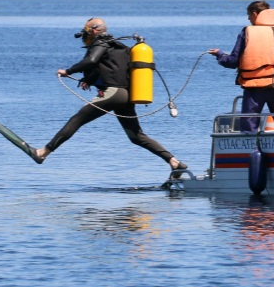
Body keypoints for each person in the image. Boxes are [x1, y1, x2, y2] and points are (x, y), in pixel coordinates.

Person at [29, 17, 187, 173]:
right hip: (126, 95)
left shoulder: (101, 43)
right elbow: (109, 68)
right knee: (136, 136)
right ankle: (173, 161)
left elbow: (91, 61)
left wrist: (68, 71)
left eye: (85, 30)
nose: (84, 34)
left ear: (95, 30)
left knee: (77, 120)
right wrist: (88, 80)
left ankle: (43, 153)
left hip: (113, 93)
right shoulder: (121, 47)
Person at [208, 1, 274, 133]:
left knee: (249, 126)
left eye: (249, 15)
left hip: (255, 88)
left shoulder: (248, 32)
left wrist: (219, 55)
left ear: (255, 14)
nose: (248, 19)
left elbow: (232, 61)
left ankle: (250, 151)